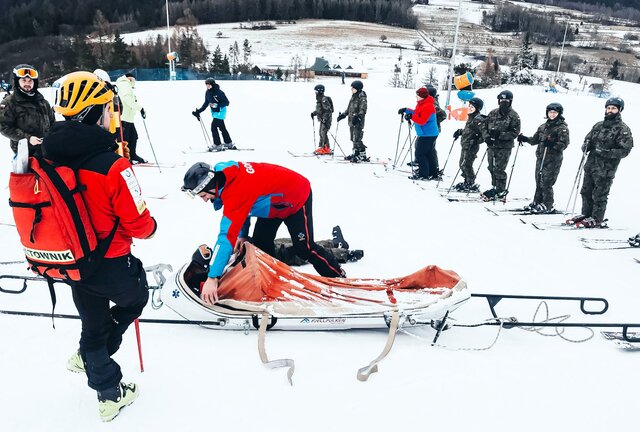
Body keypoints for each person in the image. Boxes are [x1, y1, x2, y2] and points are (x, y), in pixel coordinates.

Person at [43, 71, 157, 422]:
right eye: (109, 107)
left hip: (73, 261)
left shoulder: (47, 156)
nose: (114, 113)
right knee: (136, 299)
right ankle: (97, 358)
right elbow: (140, 225)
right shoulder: (113, 165)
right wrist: (151, 227)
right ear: (95, 112)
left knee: (93, 323)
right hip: (111, 261)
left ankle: (107, 389)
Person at [181, 161, 345, 304]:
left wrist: (212, 277)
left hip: (296, 197)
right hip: (273, 204)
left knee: (304, 248)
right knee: (261, 246)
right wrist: (243, 234)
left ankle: (338, 278)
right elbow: (242, 208)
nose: (203, 200)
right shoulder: (223, 176)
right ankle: (274, 286)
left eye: (202, 195)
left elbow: (225, 237)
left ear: (210, 185)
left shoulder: (236, 191)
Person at [571, 97, 633, 228]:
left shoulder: (623, 129)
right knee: (586, 191)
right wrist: (586, 146)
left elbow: (625, 151)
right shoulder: (598, 125)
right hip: (590, 165)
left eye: (613, 108)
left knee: (599, 194)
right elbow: (588, 139)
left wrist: (606, 152)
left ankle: (597, 218)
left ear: (619, 110)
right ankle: (586, 214)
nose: (610, 110)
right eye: (608, 108)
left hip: (606, 169)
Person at [517, 102, 570, 214]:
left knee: (547, 182)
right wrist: (525, 138)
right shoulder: (543, 127)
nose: (552, 114)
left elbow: (564, 144)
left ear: (559, 113)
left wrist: (553, 144)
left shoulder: (562, 128)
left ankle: (548, 204)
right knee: (538, 180)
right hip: (541, 157)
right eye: (550, 112)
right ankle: (537, 201)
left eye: (555, 112)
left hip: (553, 159)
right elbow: (535, 140)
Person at [0, 64, 55, 155]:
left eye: (30, 81)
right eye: (24, 80)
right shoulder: (9, 102)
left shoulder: (43, 102)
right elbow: (4, 127)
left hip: (46, 148)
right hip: (24, 151)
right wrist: (28, 138)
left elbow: (53, 123)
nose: (27, 83)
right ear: (17, 82)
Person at [481, 90, 521, 200]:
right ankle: (495, 187)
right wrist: (487, 137)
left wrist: (500, 135)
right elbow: (484, 126)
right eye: (502, 100)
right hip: (491, 145)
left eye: (506, 100)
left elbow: (515, 133)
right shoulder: (493, 113)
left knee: (499, 169)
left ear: (510, 101)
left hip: (504, 147)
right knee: (491, 167)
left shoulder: (514, 116)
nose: (504, 102)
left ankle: (501, 189)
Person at [398, 87, 439, 180]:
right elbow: (417, 113)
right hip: (427, 133)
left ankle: (423, 174)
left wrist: (411, 116)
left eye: (417, 95)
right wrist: (406, 110)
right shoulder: (422, 104)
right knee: (428, 153)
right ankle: (432, 174)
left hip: (427, 134)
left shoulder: (428, 106)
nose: (416, 97)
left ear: (421, 96)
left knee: (420, 154)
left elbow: (422, 120)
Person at [192, 77, 235, 152]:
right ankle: (228, 143)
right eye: (206, 85)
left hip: (221, 112)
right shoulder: (207, 92)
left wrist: (217, 105)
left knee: (213, 127)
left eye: (209, 85)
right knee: (222, 128)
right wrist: (199, 111)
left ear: (213, 84)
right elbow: (206, 103)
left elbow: (227, 103)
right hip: (215, 112)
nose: (207, 86)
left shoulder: (219, 92)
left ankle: (217, 145)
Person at [452, 97, 486, 192]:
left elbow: (484, 134)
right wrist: (461, 132)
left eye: (472, 106)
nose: (470, 108)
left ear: (478, 108)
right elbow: (469, 131)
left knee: (467, 164)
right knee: (462, 163)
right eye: (469, 106)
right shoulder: (471, 117)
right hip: (465, 144)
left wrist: (476, 140)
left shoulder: (479, 119)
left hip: (472, 146)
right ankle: (466, 180)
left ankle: (471, 182)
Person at [115, 73, 147, 163]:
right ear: (130, 79)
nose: (134, 82)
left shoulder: (124, 84)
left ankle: (132, 155)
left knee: (133, 136)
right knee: (126, 138)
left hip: (128, 117)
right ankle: (126, 157)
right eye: (134, 80)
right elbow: (127, 99)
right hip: (124, 117)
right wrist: (140, 108)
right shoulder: (125, 85)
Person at [337, 80, 368, 162]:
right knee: (353, 138)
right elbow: (349, 109)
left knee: (357, 138)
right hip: (351, 121)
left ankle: (362, 155)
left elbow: (363, 109)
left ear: (357, 88)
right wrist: (343, 115)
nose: (351, 89)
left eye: (353, 88)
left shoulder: (362, 97)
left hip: (358, 121)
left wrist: (358, 117)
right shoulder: (353, 97)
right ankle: (356, 153)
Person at [310, 84, 334, 155]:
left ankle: (326, 148)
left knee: (323, 133)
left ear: (319, 91)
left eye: (316, 91)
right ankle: (323, 147)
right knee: (321, 133)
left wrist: (325, 118)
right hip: (323, 119)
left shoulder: (324, 99)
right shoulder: (320, 99)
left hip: (326, 120)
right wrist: (314, 113)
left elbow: (328, 110)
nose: (315, 93)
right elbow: (320, 110)